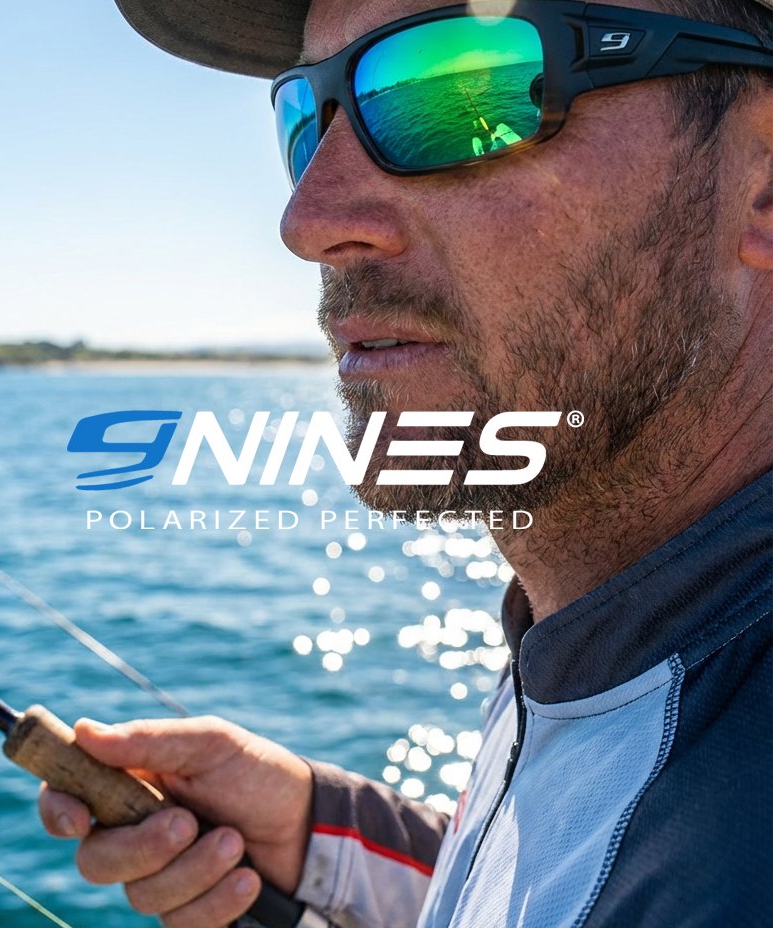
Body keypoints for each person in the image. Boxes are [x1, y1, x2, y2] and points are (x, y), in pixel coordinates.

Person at [40, 1, 773, 925]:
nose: (307, 219)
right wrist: (323, 837)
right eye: (305, 118)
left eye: (459, 93)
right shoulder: (606, 642)